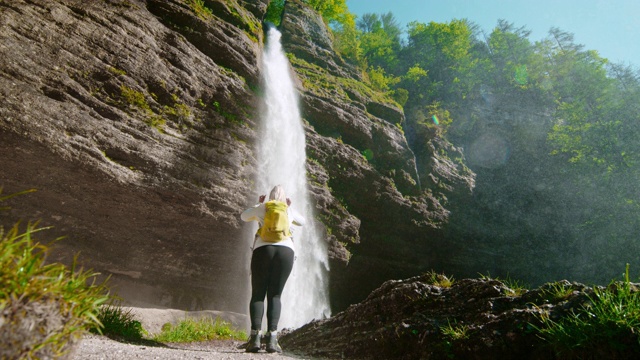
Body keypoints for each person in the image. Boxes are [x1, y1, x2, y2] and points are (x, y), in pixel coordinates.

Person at [240, 185, 305, 353]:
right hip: (286, 252)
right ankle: (272, 341)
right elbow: (302, 222)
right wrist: (291, 207)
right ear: (285, 198)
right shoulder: (288, 210)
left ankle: (254, 339)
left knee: (258, 294)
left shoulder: (263, 207)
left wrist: (258, 204)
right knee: (275, 295)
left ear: (269, 196)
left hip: (263, 250)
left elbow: (244, 216)